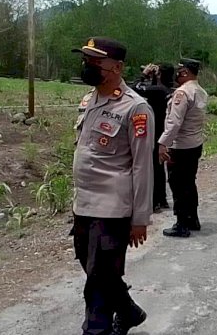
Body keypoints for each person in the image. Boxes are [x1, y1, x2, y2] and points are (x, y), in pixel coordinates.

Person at [71, 37, 153, 335]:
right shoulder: (88, 100)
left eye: (95, 62)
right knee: (94, 269)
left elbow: (143, 166)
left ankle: (96, 330)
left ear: (117, 67)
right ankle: (129, 311)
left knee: (98, 283)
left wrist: (140, 218)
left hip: (113, 208)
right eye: (86, 60)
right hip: (83, 204)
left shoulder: (136, 108)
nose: (87, 66)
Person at [158, 58, 208, 238]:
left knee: (178, 184)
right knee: (189, 182)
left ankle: (181, 223)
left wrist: (163, 143)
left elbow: (174, 122)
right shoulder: (200, 91)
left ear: (185, 72)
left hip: (180, 146)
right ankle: (192, 218)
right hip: (194, 143)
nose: (176, 74)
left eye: (179, 71)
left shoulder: (182, 93)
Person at [131, 63, 175, 212]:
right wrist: (154, 78)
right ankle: (161, 199)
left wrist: (143, 74)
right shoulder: (166, 89)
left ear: (160, 74)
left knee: (152, 167)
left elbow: (135, 88)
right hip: (162, 130)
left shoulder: (159, 90)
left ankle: (155, 201)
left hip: (154, 131)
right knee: (158, 166)